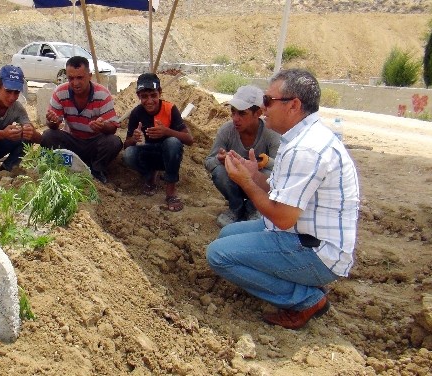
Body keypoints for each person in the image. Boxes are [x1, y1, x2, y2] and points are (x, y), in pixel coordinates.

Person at [205, 69, 360, 330]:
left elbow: (282, 217)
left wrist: (244, 181)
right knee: (227, 234)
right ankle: (295, 282)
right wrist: (255, 175)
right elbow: (281, 190)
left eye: (268, 101)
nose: (264, 109)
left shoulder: (306, 149)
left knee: (218, 255)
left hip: (317, 251)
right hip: (304, 234)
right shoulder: (300, 139)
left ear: (294, 105)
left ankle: (306, 299)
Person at [204, 85, 280, 227]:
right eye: (233, 112)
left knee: (270, 174)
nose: (235, 118)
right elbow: (209, 161)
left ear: (257, 113)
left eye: (242, 113)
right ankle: (236, 208)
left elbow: (281, 169)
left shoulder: (271, 133)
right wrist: (219, 160)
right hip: (235, 182)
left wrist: (262, 164)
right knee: (219, 172)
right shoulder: (227, 131)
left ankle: (254, 208)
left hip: (258, 182)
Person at [41, 56, 122, 184]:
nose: (75, 83)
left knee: (113, 142)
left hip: (94, 143)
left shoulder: (103, 94)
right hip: (72, 140)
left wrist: (102, 127)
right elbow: (53, 125)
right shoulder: (60, 92)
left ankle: (96, 171)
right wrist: (52, 122)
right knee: (48, 136)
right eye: (71, 78)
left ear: (89, 76)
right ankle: (64, 167)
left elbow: (113, 128)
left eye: (80, 78)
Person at [122, 73, 194, 212]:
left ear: (159, 93)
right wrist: (134, 139)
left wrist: (167, 132)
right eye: (144, 97)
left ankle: (171, 191)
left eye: (153, 95)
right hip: (148, 152)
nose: (149, 101)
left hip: (167, 155)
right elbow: (127, 145)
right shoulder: (136, 113)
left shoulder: (170, 109)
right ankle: (150, 175)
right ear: (139, 96)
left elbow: (189, 139)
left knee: (173, 142)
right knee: (129, 154)